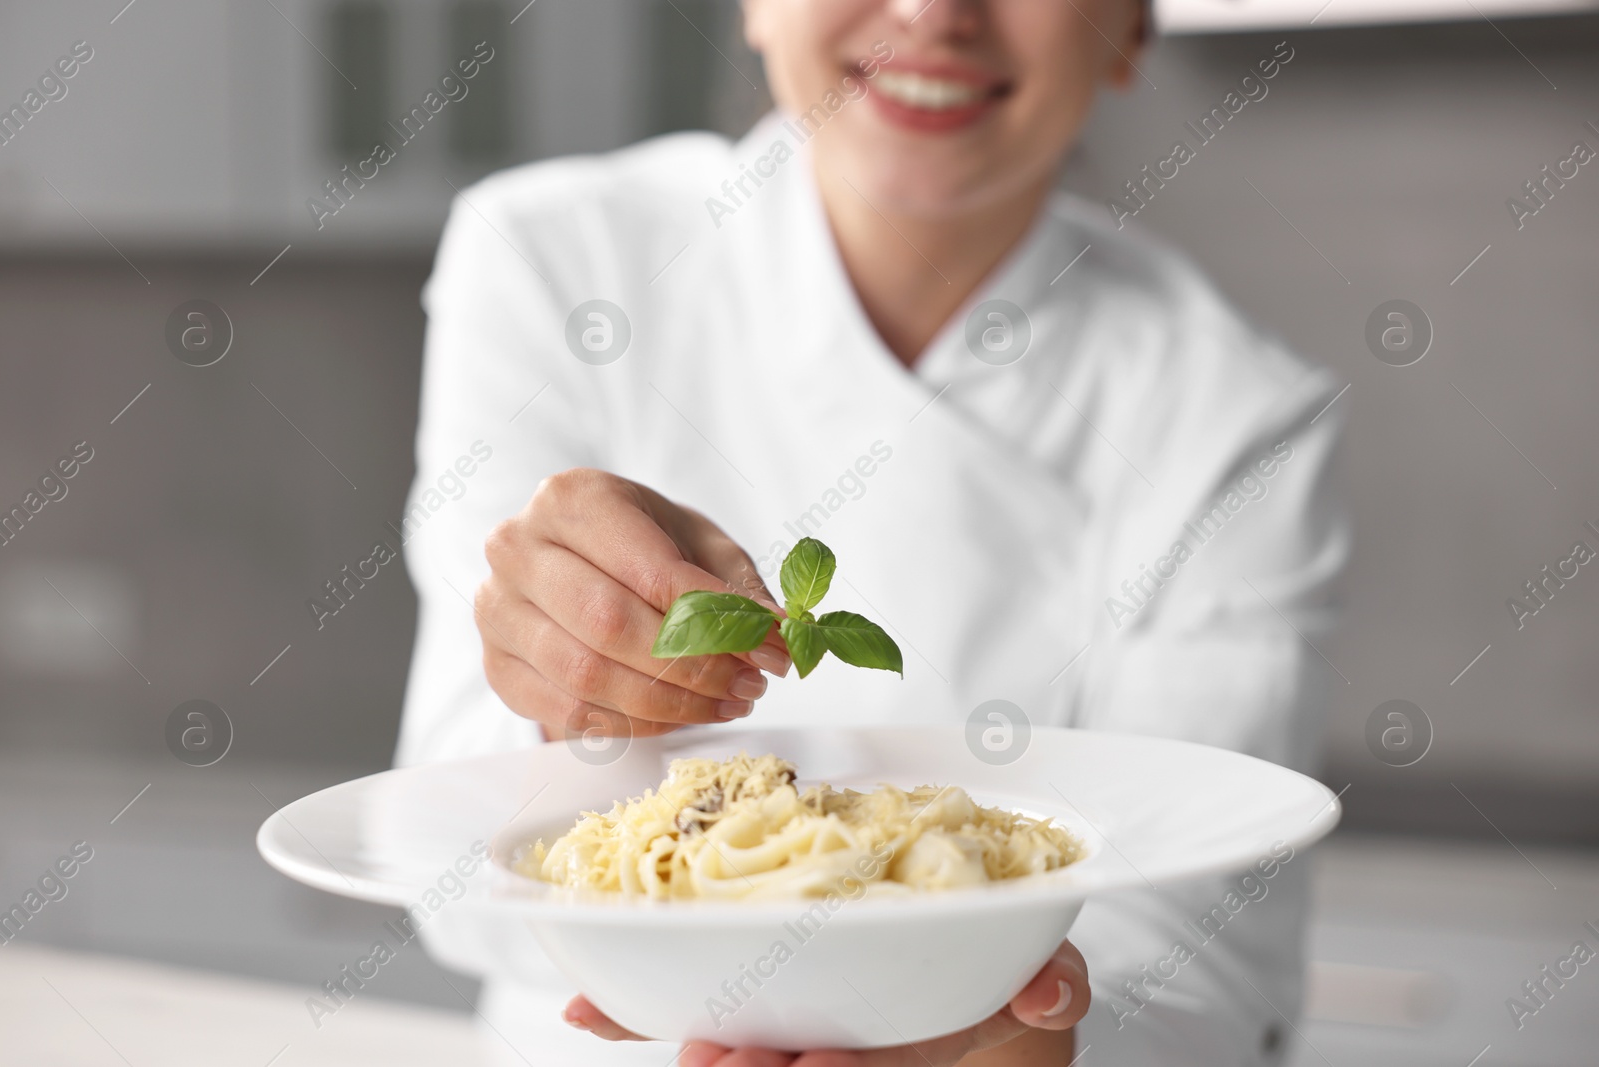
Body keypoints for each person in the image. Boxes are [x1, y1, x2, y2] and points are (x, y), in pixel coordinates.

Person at [396, 0, 1348, 1064]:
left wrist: (1016, 1040)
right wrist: (572, 689)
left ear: (1130, 28)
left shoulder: (1233, 409)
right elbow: (439, 878)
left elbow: (1200, 960)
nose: (935, 12)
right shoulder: (554, 259)